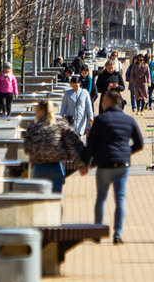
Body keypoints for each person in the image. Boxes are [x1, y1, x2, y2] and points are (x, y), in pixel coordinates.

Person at [81, 91, 144, 244]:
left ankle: (98, 231)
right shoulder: (129, 120)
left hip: (104, 164)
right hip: (122, 165)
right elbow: (140, 143)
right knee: (120, 198)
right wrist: (127, 152)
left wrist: (85, 163)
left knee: (101, 198)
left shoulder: (100, 120)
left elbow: (91, 144)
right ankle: (117, 234)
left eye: (103, 101)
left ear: (109, 102)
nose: (101, 104)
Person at [23, 101, 85, 193]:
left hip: (38, 169)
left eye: (37, 110)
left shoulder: (32, 128)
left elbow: (27, 149)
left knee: (38, 203)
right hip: (56, 168)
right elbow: (72, 146)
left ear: (41, 111)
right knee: (55, 202)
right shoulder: (60, 126)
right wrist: (81, 165)